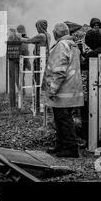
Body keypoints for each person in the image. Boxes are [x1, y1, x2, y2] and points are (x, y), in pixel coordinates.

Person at [42, 23, 84, 157]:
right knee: (62, 119)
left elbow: (59, 71)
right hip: (71, 90)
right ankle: (61, 145)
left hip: (62, 91)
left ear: (55, 34)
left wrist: (51, 90)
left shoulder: (61, 45)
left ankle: (70, 148)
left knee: (64, 120)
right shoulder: (73, 45)